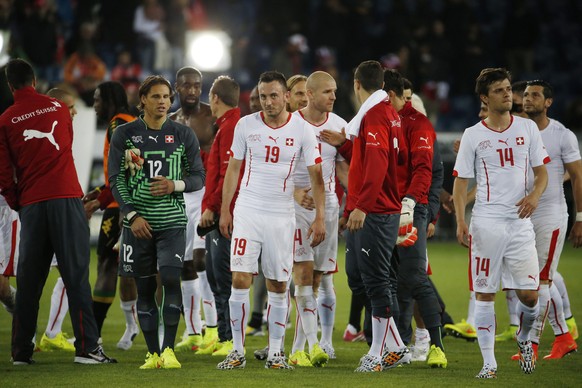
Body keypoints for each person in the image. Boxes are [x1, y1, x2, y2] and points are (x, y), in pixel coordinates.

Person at [0, 58, 116, 365]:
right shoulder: (57, 109)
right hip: (65, 198)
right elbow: (65, 145)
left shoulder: (6, 119)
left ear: (11, 86)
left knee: (29, 282)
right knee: (76, 274)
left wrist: (19, 202)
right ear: (35, 81)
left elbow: (3, 173)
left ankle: (21, 353)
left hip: (33, 204)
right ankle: (87, 349)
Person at [216, 70, 326, 370]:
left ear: (287, 96)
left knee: (278, 284)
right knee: (240, 279)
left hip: (281, 216)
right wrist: (226, 209)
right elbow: (233, 169)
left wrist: (319, 216)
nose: (268, 102)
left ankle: (276, 353)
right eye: (263, 96)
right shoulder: (245, 125)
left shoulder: (302, 130)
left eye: (274, 95)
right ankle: (237, 352)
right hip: (248, 211)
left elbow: (317, 177)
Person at [452, 68, 549, 379]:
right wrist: (460, 221)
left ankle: (524, 337)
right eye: (499, 90)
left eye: (509, 89)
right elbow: (460, 183)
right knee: (484, 293)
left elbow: (543, 172)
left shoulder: (528, 129)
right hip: (486, 223)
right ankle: (488, 363)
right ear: (484, 97)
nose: (508, 94)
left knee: (530, 296)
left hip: (520, 224)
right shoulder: (473, 135)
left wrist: (534, 194)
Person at [108, 75, 205, 369]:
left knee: (173, 279)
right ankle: (152, 354)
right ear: (143, 100)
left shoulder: (182, 135)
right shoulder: (125, 134)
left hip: (172, 223)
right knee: (145, 288)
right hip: (138, 225)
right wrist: (132, 214)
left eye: (166, 97)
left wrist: (174, 185)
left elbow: (198, 177)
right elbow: (116, 179)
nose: (163, 102)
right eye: (156, 97)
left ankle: (168, 350)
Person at [344, 60, 409, 372]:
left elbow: (379, 163)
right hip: (379, 208)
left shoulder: (374, 114)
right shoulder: (389, 113)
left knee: (377, 281)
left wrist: (362, 205)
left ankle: (378, 351)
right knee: (362, 277)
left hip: (377, 211)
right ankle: (396, 345)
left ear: (357, 84)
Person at [383, 70, 447, 369]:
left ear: (389, 95)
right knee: (389, 281)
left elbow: (427, 171)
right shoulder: (380, 119)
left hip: (410, 208)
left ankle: (435, 345)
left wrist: (415, 206)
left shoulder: (418, 123)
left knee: (413, 276)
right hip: (383, 209)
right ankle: (398, 345)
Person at [288, 71, 348, 367]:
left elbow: (343, 171)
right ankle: (305, 346)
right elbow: (274, 170)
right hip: (295, 208)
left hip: (329, 208)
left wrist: (356, 204)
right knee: (303, 273)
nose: (333, 97)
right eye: (327, 92)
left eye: (334, 91)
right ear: (309, 94)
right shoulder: (290, 124)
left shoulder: (339, 126)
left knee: (318, 277)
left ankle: (312, 344)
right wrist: (296, 191)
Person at [518, 80, 581, 359]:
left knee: (540, 282)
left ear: (548, 102)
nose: (528, 99)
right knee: (532, 280)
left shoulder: (562, 135)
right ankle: (563, 337)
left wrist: (580, 217)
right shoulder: (517, 130)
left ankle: (530, 345)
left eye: (535, 95)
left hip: (550, 215)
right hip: (521, 216)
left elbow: (577, 176)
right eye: (526, 95)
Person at [83, 81, 140, 350]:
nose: (94, 105)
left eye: (97, 100)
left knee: (107, 266)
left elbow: (127, 170)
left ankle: (92, 333)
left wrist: (112, 204)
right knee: (124, 268)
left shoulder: (119, 125)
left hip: (121, 207)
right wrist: (99, 193)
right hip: (121, 203)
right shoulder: (129, 122)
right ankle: (130, 327)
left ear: (109, 100)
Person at [169, 66, 218, 353]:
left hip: (205, 196)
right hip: (181, 197)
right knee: (185, 264)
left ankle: (212, 328)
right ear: (177, 87)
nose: (191, 91)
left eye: (197, 86)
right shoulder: (172, 120)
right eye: (186, 85)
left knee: (202, 262)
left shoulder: (210, 116)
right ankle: (193, 330)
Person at [197, 75, 242, 355]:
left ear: (214, 98)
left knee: (223, 279)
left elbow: (227, 174)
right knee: (218, 278)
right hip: (225, 212)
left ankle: (229, 340)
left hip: (225, 216)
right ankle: (226, 338)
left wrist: (213, 208)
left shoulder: (231, 128)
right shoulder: (228, 126)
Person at [37, 88, 79, 353]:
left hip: (37, 209)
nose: (74, 112)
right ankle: (48, 334)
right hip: (48, 209)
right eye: (70, 107)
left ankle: (40, 336)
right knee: (67, 271)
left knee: (47, 274)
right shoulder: (52, 139)